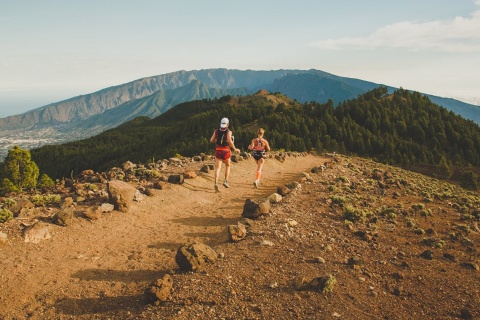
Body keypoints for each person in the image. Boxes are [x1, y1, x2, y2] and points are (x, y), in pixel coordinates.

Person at [210, 117, 240, 193]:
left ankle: (216, 183)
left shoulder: (216, 131)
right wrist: (235, 148)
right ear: (227, 124)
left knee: (218, 168)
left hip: (218, 151)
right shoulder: (228, 131)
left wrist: (217, 141)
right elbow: (229, 141)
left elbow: (211, 140)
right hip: (226, 151)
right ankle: (225, 181)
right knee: (227, 166)